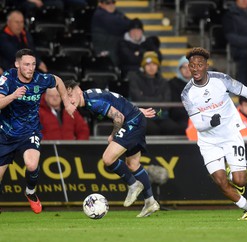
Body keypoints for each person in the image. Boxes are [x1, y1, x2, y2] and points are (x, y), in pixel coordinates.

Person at [181, 47, 247, 220]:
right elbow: (198, 124)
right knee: (221, 182)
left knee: (240, 181)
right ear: (189, 68)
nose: (196, 68)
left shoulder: (221, 80)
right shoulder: (186, 93)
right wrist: (210, 122)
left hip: (230, 135)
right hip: (208, 141)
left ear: (206, 65)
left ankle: (233, 170)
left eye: (200, 65)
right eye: (192, 65)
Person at [64, 79, 161, 217]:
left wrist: (113, 135)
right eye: (66, 98)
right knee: (133, 165)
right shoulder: (89, 96)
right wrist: (135, 109)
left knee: (108, 159)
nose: (69, 100)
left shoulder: (92, 102)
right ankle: (150, 202)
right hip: (136, 118)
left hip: (132, 122)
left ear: (78, 90)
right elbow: (116, 99)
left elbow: (119, 117)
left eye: (70, 95)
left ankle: (133, 184)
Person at [0, 48, 76, 214]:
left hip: (29, 131)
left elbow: (57, 81)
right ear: (17, 64)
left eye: (33, 64)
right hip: (6, 134)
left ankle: (30, 192)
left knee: (32, 163)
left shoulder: (40, 79)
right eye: (26, 64)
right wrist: (13, 96)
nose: (30, 68)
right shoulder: (7, 78)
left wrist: (67, 103)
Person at [127, 51, 182, 135]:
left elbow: (166, 102)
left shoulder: (163, 81)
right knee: (152, 129)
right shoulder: (135, 80)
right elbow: (138, 99)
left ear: (158, 66)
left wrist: (145, 98)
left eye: (154, 64)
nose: (151, 67)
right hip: (142, 116)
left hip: (160, 116)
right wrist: (158, 99)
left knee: (174, 128)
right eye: (148, 64)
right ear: (144, 66)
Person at [91, 0, 132, 65]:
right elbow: (117, 25)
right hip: (104, 49)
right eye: (108, 3)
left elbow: (131, 24)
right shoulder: (99, 14)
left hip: (115, 47)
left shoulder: (117, 13)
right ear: (100, 4)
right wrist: (122, 22)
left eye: (113, 2)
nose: (111, 5)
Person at [169, 56, 191, 135]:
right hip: (180, 117)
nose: (187, 70)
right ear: (179, 69)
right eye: (184, 67)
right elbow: (174, 107)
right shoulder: (173, 83)